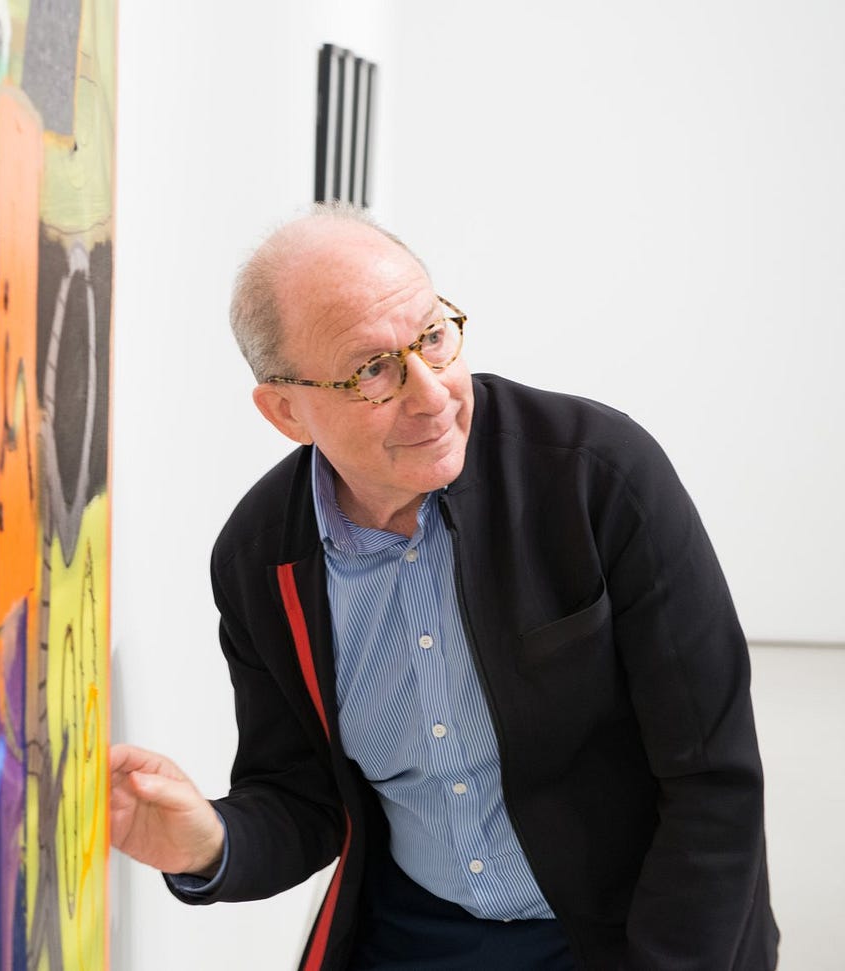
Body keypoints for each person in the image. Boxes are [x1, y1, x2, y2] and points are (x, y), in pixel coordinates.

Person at [109, 204, 778, 970]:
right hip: (414, 934)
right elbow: (305, 797)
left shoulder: (599, 475)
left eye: (432, 335)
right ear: (286, 410)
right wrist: (211, 841)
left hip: (628, 931)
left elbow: (713, 781)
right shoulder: (262, 556)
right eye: (371, 369)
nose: (432, 394)